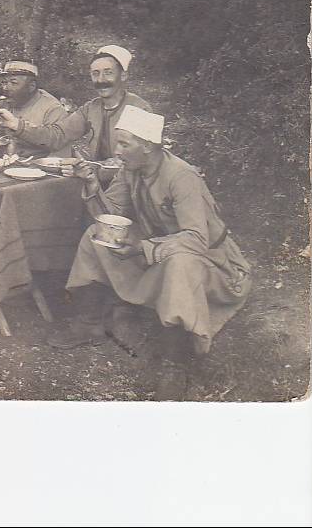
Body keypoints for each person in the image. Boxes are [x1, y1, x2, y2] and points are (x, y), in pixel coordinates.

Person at [53, 105, 252, 400]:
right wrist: (93, 184)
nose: (117, 151)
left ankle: (176, 364)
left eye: (124, 144)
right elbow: (111, 217)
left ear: (147, 146)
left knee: (179, 264)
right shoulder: (131, 169)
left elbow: (196, 239)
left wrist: (143, 249)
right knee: (97, 235)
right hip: (162, 248)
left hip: (213, 263)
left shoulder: (181, 176)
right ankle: (89, 322)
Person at [13, 45, 151, 161]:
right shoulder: (90, 108)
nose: (101, 80)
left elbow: (144, 159)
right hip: (95, 181)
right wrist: (17, 125)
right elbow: (57, 136)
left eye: (108, 73)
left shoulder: (138, 109)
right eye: (95, 74)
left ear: (123, 76)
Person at [0, 60, 70, 158]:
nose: (5, 88)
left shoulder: (53, 109)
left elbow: (58, 141)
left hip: (36, 167)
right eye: (4, 82)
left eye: (13, 83)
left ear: (31, 86)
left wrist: (18, 126)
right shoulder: (8, 101)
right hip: (6, 161)